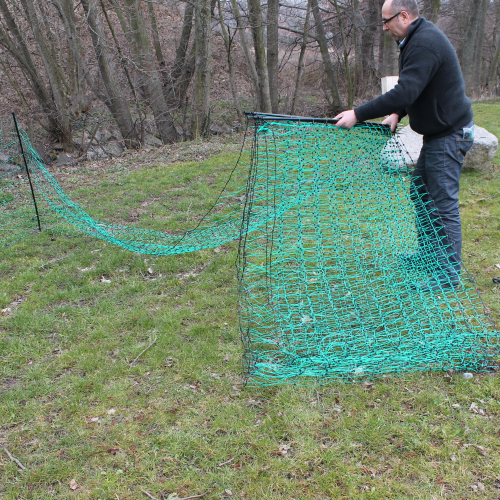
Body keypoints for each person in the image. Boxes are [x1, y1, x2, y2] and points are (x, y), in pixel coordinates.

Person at [334, 0, 474, 292]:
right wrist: (398, 113)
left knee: (441, 204)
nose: (384, 27)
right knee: (421, 194)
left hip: (450, 134)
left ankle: (447, 275)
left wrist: (358, 113)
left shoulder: (423, 43)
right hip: (438, 133)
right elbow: (420, 88)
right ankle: (428, 256)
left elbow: (406, 89)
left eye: (387, 21)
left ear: (404, 15)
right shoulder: (415, 39)